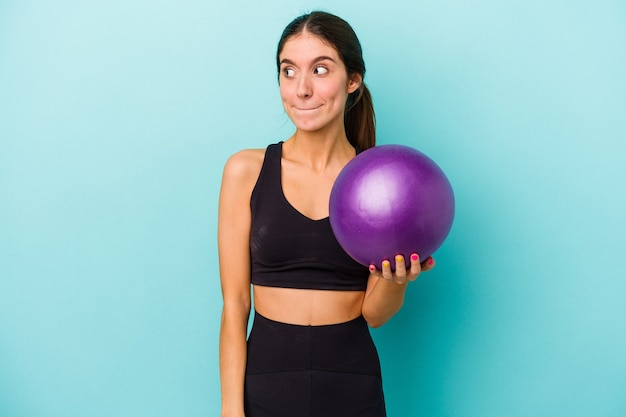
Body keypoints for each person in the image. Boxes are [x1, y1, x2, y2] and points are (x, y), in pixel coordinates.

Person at [218, 11, 435, 417]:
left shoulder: (378, 184)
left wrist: (396, 282)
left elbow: (374, 315)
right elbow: (234, 307)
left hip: (352, 383)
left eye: (320, 69)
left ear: (352, 80)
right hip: (267, 380)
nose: (302, 89)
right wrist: (231, 409)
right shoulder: (245, 171)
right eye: (289, 71)